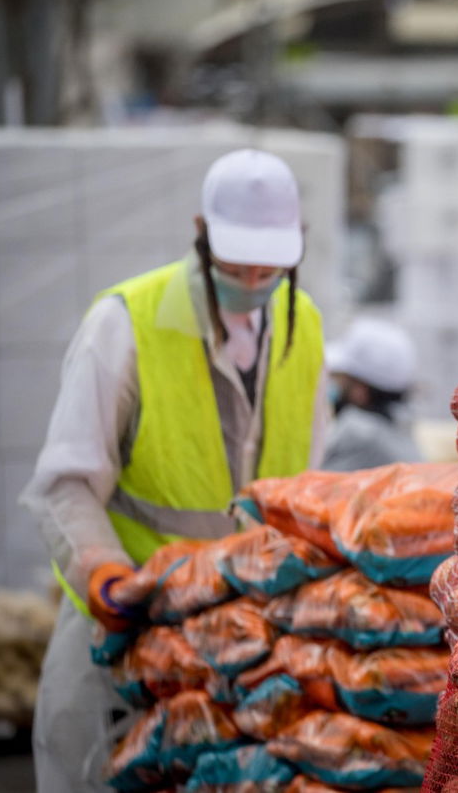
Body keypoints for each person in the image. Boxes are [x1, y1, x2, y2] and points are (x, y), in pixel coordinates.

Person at [21, 149, 330, 792]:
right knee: (97, 770)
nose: (253, 278)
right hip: (127, 624)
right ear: (201, 233)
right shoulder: (126, 323)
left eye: (269, 267)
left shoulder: (303, 328)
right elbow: (65, 482)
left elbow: (308, 486)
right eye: (235, 265)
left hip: (239, 635)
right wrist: (100, 571)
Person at [321, 316, 423, 471]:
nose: (333, 385)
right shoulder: (402, 433)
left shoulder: (358, 434)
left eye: (340, 379)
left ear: (360, 392)